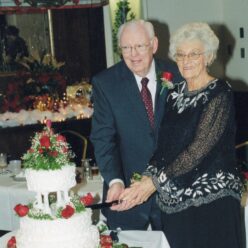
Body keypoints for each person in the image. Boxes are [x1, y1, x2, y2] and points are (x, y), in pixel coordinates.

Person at [118, 22, 243, 247]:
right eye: (181, 54)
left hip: (213, 205)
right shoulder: (174, 94)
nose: (186, 60)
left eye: (194, 54)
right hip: (177, 205)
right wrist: (143, 180)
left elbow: (199, 149)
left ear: (208, 56)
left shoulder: (219, 93)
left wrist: (154, 182)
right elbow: (164, 145)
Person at [90, 19, 182, 230]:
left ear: (154, 44)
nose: (133, 54)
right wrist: (115, 180)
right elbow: (103, 138)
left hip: (174, 194)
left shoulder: (178, 75)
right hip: (126, 195)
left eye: (140, 46)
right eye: (126, 48)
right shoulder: (105, 83)